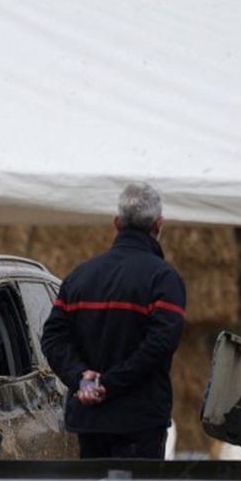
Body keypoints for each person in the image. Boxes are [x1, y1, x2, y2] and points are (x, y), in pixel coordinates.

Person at [41, 181, 187, 459]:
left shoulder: (80, 276)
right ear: (158, 225)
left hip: (88, 421)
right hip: (140, 421)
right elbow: (160, 344)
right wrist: (108, 384)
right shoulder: (164, 280)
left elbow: (52, 337)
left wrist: (82, 378)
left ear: (117, 223)